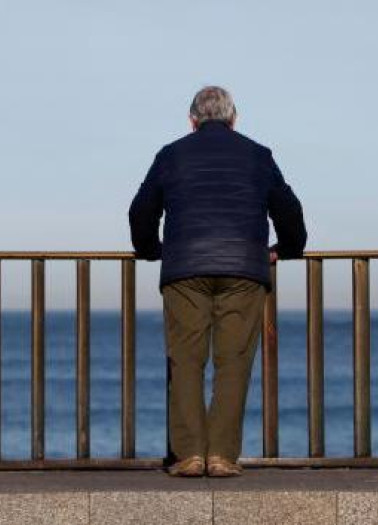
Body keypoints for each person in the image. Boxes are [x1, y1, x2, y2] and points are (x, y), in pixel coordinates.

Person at [128, 86, 307, 477]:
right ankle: (223, 457)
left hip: (185, 269)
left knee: (187, 360)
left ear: (192, 121)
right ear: (234, 118)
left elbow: (141, 210)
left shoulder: (170, 154)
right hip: (244, 269)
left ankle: (190, 455)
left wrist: (151, 248)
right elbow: (289, 210)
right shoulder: (258, 155)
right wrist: (288, 248)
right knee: (234, 362)